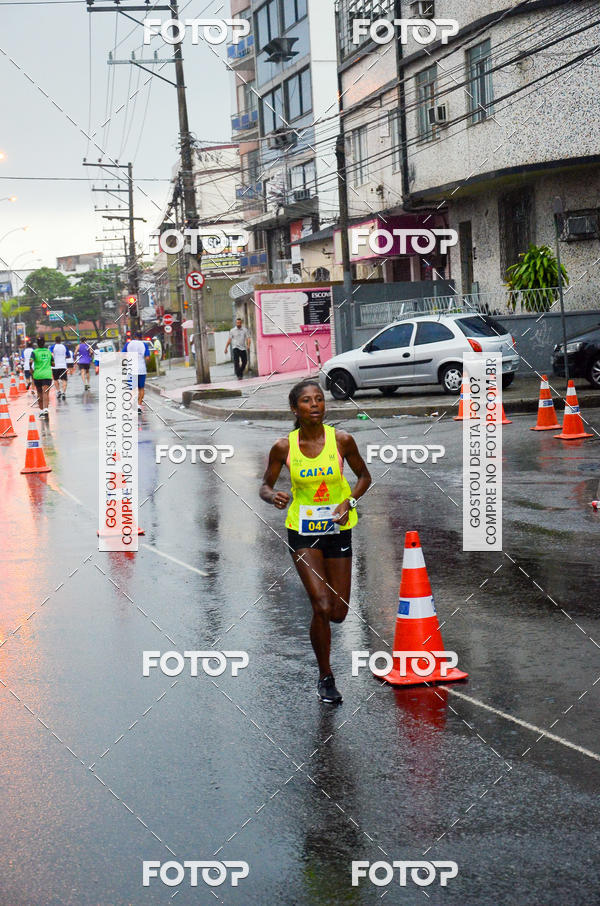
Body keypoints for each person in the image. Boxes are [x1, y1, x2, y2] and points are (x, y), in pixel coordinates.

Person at [259, 380, 371, 704]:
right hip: (303, 531)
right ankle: (325, 676)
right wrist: (273, 496)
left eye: (319, 399)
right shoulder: (284, 447)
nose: (315, 405)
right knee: (320, 605)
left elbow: (365, 477)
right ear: (295, 409)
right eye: (307, 401)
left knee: (338, 613)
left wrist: (349, 501)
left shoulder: (342, 441)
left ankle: (325, 654)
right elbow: (265, 486)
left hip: (338, 529)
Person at [124, 330, 150, 411]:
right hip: (141, 369)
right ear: (141, 337)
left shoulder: (128, 344)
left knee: (132, 389)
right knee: (141, 388)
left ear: (134, 336)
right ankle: (139, 405)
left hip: (131, 369)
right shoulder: (144, 344)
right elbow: (147, 358)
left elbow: (123, 355)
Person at [31, 335, 53, 417]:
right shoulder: (48, 352)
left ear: (37, 343)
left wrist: (31, 370)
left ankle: (41, 410)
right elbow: (53, 363)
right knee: (46, 392)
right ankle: (45, 409)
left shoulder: (34, 352)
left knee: (39, 393)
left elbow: (30, 361)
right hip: (47, 374)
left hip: (37, 375)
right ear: (44, 343)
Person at [50, 335, 69, 400]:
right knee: (64, 380)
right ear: (61, 340)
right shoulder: (64, 347)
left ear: (55, 341)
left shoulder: (52, 347)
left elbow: (51, 355)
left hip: (55, 366)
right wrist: (63, 357)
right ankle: (64, 393)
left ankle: (58, 391)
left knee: (55, 379)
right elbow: (68, 356)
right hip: (63, 366)